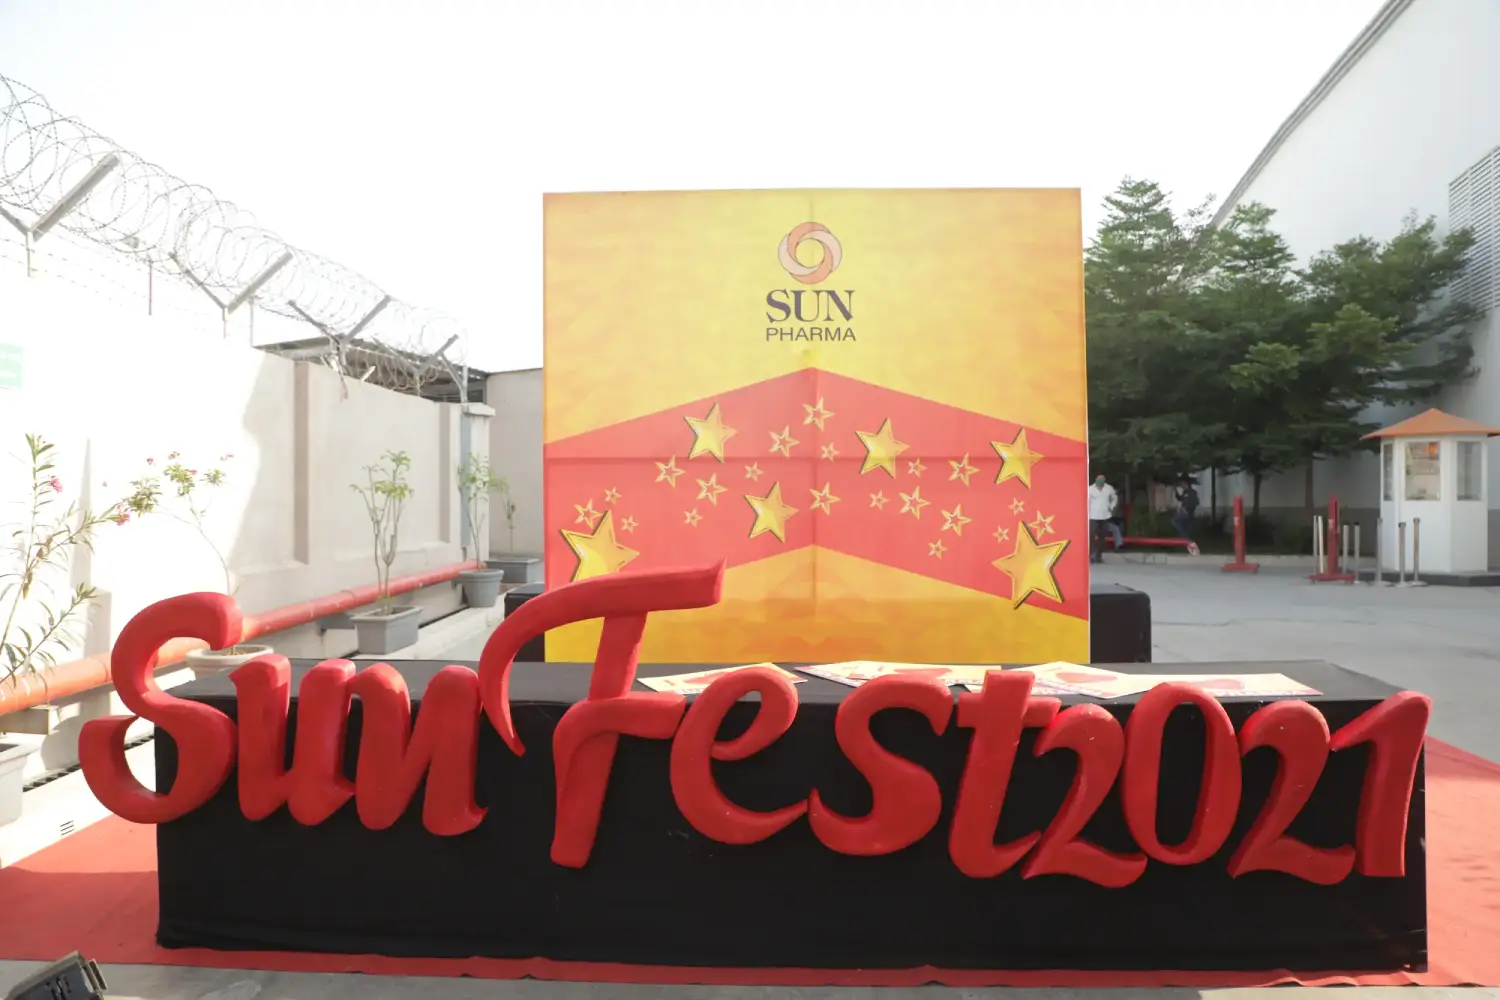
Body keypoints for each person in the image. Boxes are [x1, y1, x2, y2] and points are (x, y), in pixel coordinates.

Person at [1087, 473, 1118, 564]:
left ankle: (1098, 555)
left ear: (1104, 480)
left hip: (1105, 516)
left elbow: (1114, 498)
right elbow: (1085, 501)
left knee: (1102, 536)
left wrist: (1111, 506)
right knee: (1091, 535)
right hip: (1092, 515)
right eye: (1099, 479)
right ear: (1096, 480)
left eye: (1102, 479)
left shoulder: (1109, 488)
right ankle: (1091, 554)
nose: (1100, 481)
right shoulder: (1090, 489)